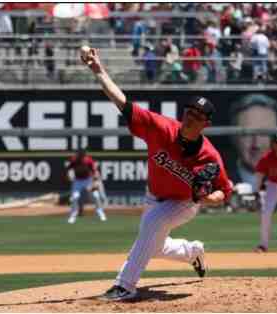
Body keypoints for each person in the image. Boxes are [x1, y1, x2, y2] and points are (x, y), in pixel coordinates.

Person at [81, 47, 232, 301]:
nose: (191, 117)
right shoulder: (160, 128)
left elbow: (224, 191)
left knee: (151, 226)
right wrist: (98, 70)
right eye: (189, 112)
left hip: (184, 202)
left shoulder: (210, 156)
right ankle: (191, 251)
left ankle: (125, 285)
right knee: (155, 245)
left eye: (198, 116)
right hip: (154, 196)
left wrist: (207, 199)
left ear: (206, 124)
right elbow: (123, 103)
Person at [229, 94, 277, 190]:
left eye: (264, 133)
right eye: (247, 133)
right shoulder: (215, 186)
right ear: (234, 138)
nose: (256, 144)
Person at [65, 149, 107, 224]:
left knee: (95, 196)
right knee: (75, 197)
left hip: (88, 180)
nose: (81, 157)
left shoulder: (88, 160)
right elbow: (68, 169)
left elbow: (94, 172)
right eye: (79, 155)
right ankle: (73, 215)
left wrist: (93, 183)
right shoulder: (74, 160)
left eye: (82, 155)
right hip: (77, 181)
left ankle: (100, 212)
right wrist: (69, 176)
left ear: (85, 155)